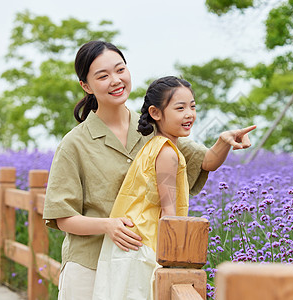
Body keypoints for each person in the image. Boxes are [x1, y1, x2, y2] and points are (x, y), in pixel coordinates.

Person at [42, 40, 255, 300]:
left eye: (120, 70)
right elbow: (63, 217)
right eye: (103, 75)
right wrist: (108, 225)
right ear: (86, 86)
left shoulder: (152, 127)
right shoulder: (75, 144)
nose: (115, 80)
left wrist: (223, 142)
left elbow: (205, 161)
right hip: (89, 267)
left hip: (139, 266)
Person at [91, 76, 256, 299]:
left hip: (132, 245)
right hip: (144, 246)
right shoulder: (167, 152)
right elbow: (170, 214)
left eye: (192, 106)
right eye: (180, 108)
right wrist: (174, 263)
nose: (189, 114)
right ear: (156, 113)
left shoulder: (155, 145)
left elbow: (208, 162)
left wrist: (225, 140)